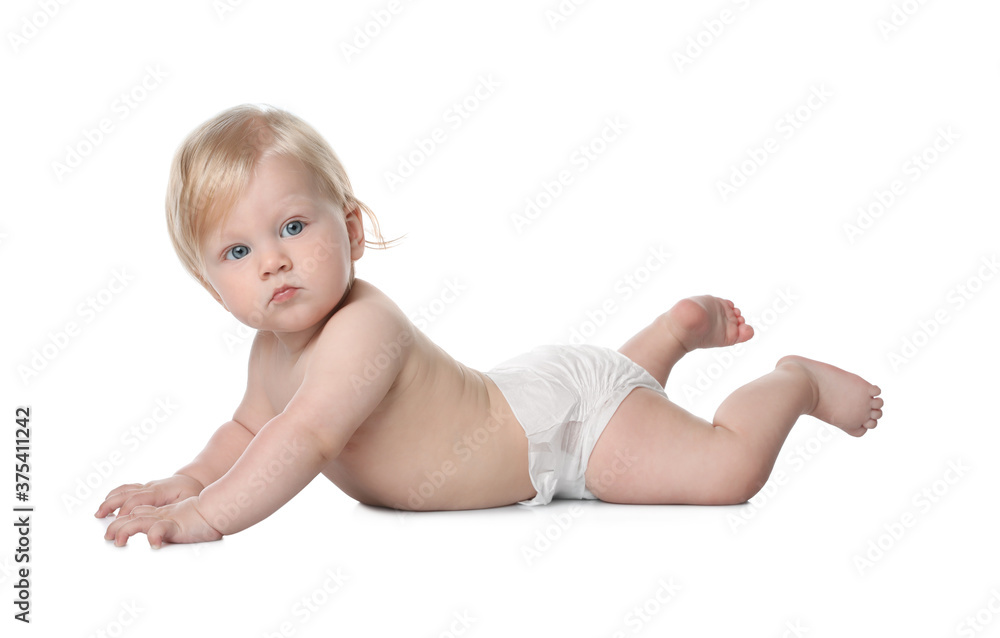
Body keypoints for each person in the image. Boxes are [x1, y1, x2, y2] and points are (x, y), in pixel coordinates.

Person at [96, 104, 883, 548]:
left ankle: (794, 382)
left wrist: (207, 517)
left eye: (293, 228)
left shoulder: (365, 331)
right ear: (210, 286)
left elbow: (301, 439)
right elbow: (248, 428)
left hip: (563, 431)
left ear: (352, 230)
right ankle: (663, 342)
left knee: (724, 474)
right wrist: (189, 479)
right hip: (534, 395)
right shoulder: (271, 354)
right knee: (621, 402)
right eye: (238, 250)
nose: (272, 261)